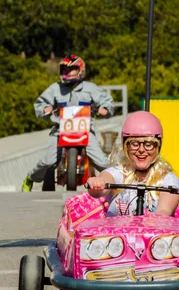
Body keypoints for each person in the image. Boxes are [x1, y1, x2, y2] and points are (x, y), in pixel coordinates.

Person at [21, 55, 114, 192]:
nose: (67, 72)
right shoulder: (55, 89)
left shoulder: (90, 88)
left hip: (85, 130)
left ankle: (118, 183)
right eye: (64, 69)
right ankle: (30, 177)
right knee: (49, 161)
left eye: (71, 69)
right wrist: (45, 109)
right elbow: (39, 105)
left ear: (80, 70)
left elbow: (108, 102)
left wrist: (105, 109)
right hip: (60, 130)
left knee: (102, 161)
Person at [86, 111, 179, 217]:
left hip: (154, 232)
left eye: (148, 144)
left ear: (158, 146)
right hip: (116, 233)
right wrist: (98, 183)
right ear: (125, 146)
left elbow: (164, 211)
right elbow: (102, 186)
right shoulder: (118, 173)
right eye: (134, 144)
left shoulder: (168, 179)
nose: (141, 150)